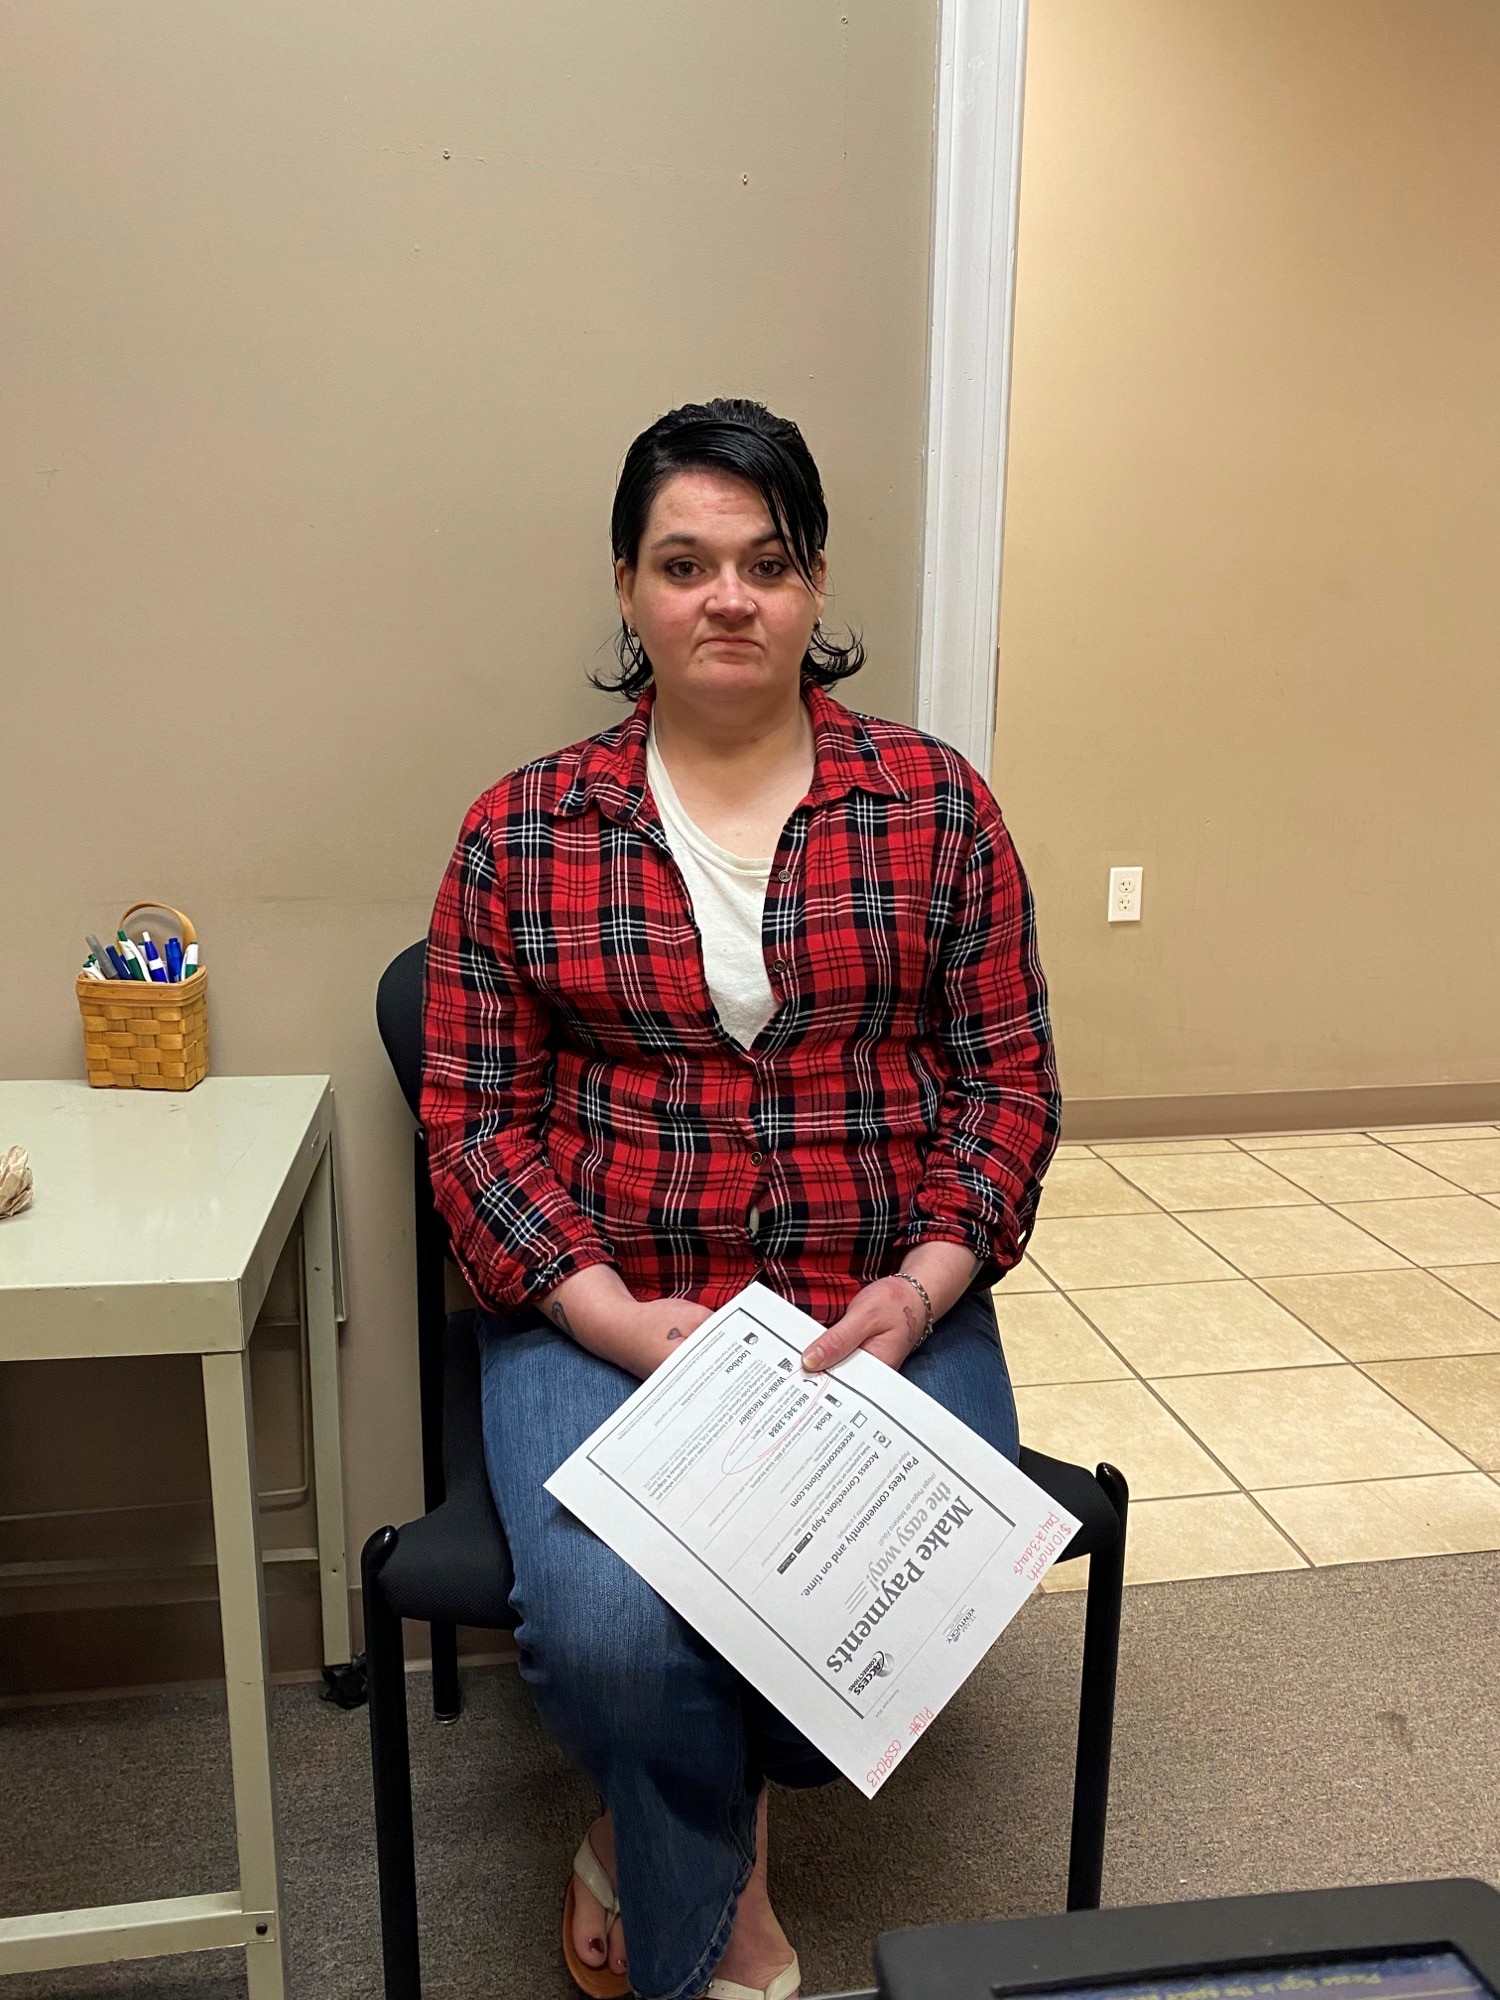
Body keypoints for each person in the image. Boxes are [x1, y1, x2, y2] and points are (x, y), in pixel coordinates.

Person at [421, 397, 1059, 2000]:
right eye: (685, 562)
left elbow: (1007, 1087)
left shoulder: (938, 807)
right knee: (607, 1635)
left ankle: (645, 1836)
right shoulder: (520, 831)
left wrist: (922, 1288)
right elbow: (476, 1131)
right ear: (627, 587)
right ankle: (727, 1919)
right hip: (608, 1298)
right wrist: (610, 1321)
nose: (729, 598)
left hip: (876, 1300)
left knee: (912, 1596)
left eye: (767, 565)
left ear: (815, 585)